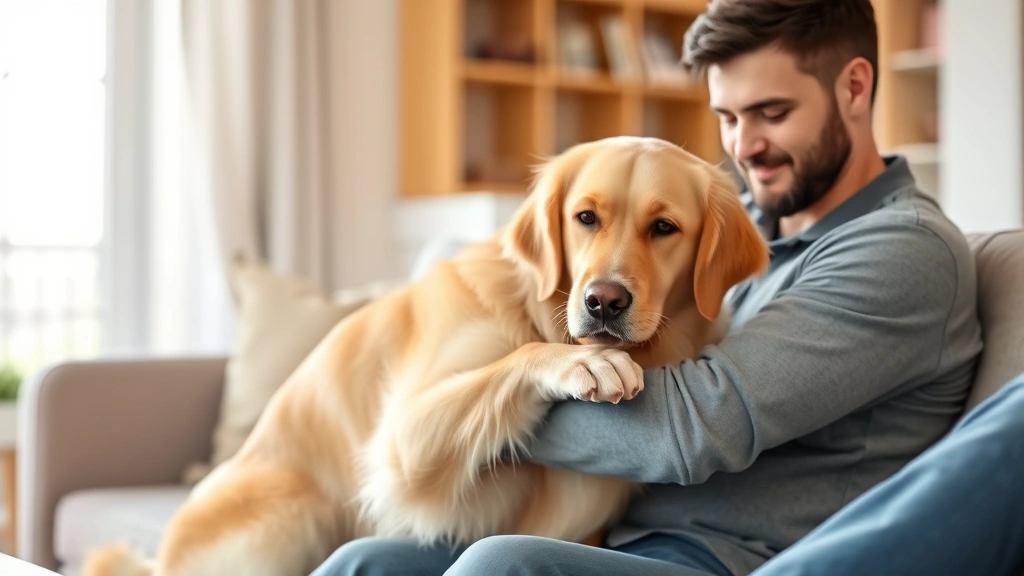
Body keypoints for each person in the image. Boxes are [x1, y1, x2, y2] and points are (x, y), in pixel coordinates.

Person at [312, 0, 994, 574]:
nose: (744, 146)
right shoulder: (746, 226)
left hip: (729, 558)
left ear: (854, 87)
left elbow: (692, 429)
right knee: (363, 563)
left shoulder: (900, 249)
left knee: (503, 567)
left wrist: (476, 409)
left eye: (772, 112)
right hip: (623, 541)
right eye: (728, 118)